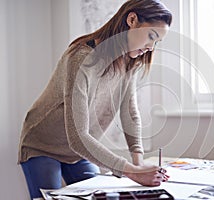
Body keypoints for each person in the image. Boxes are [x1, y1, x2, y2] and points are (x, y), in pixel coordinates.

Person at [17, 0, 172, 199]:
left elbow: (130, 112)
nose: (151, 47)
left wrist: (138, 160)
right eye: (151, 36)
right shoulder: (81, 58)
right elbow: (78, 136)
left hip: (80, 151)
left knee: (99, 195)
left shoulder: (129, 62)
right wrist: (132, 172)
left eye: (157, 42)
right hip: (43, 146)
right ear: (132, 20)